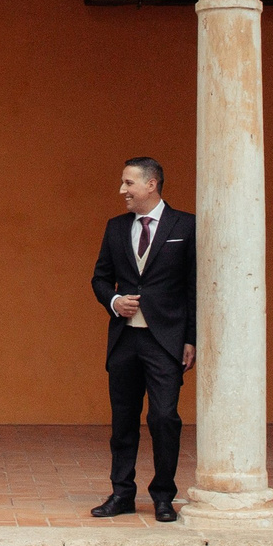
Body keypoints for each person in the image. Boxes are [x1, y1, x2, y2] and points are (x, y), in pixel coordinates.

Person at [88, 156, 195, 522]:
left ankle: (164, 495)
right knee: (123, 420)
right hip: (124, 342)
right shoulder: (116, 227)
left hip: (165, 342)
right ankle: (122, 493)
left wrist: (191, 338)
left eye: (128, 183)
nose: (123, 191)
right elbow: (100, 278)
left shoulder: (187, 225)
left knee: (165, 418)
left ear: (151, 184)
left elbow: (195, 288)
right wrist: (116, 301)